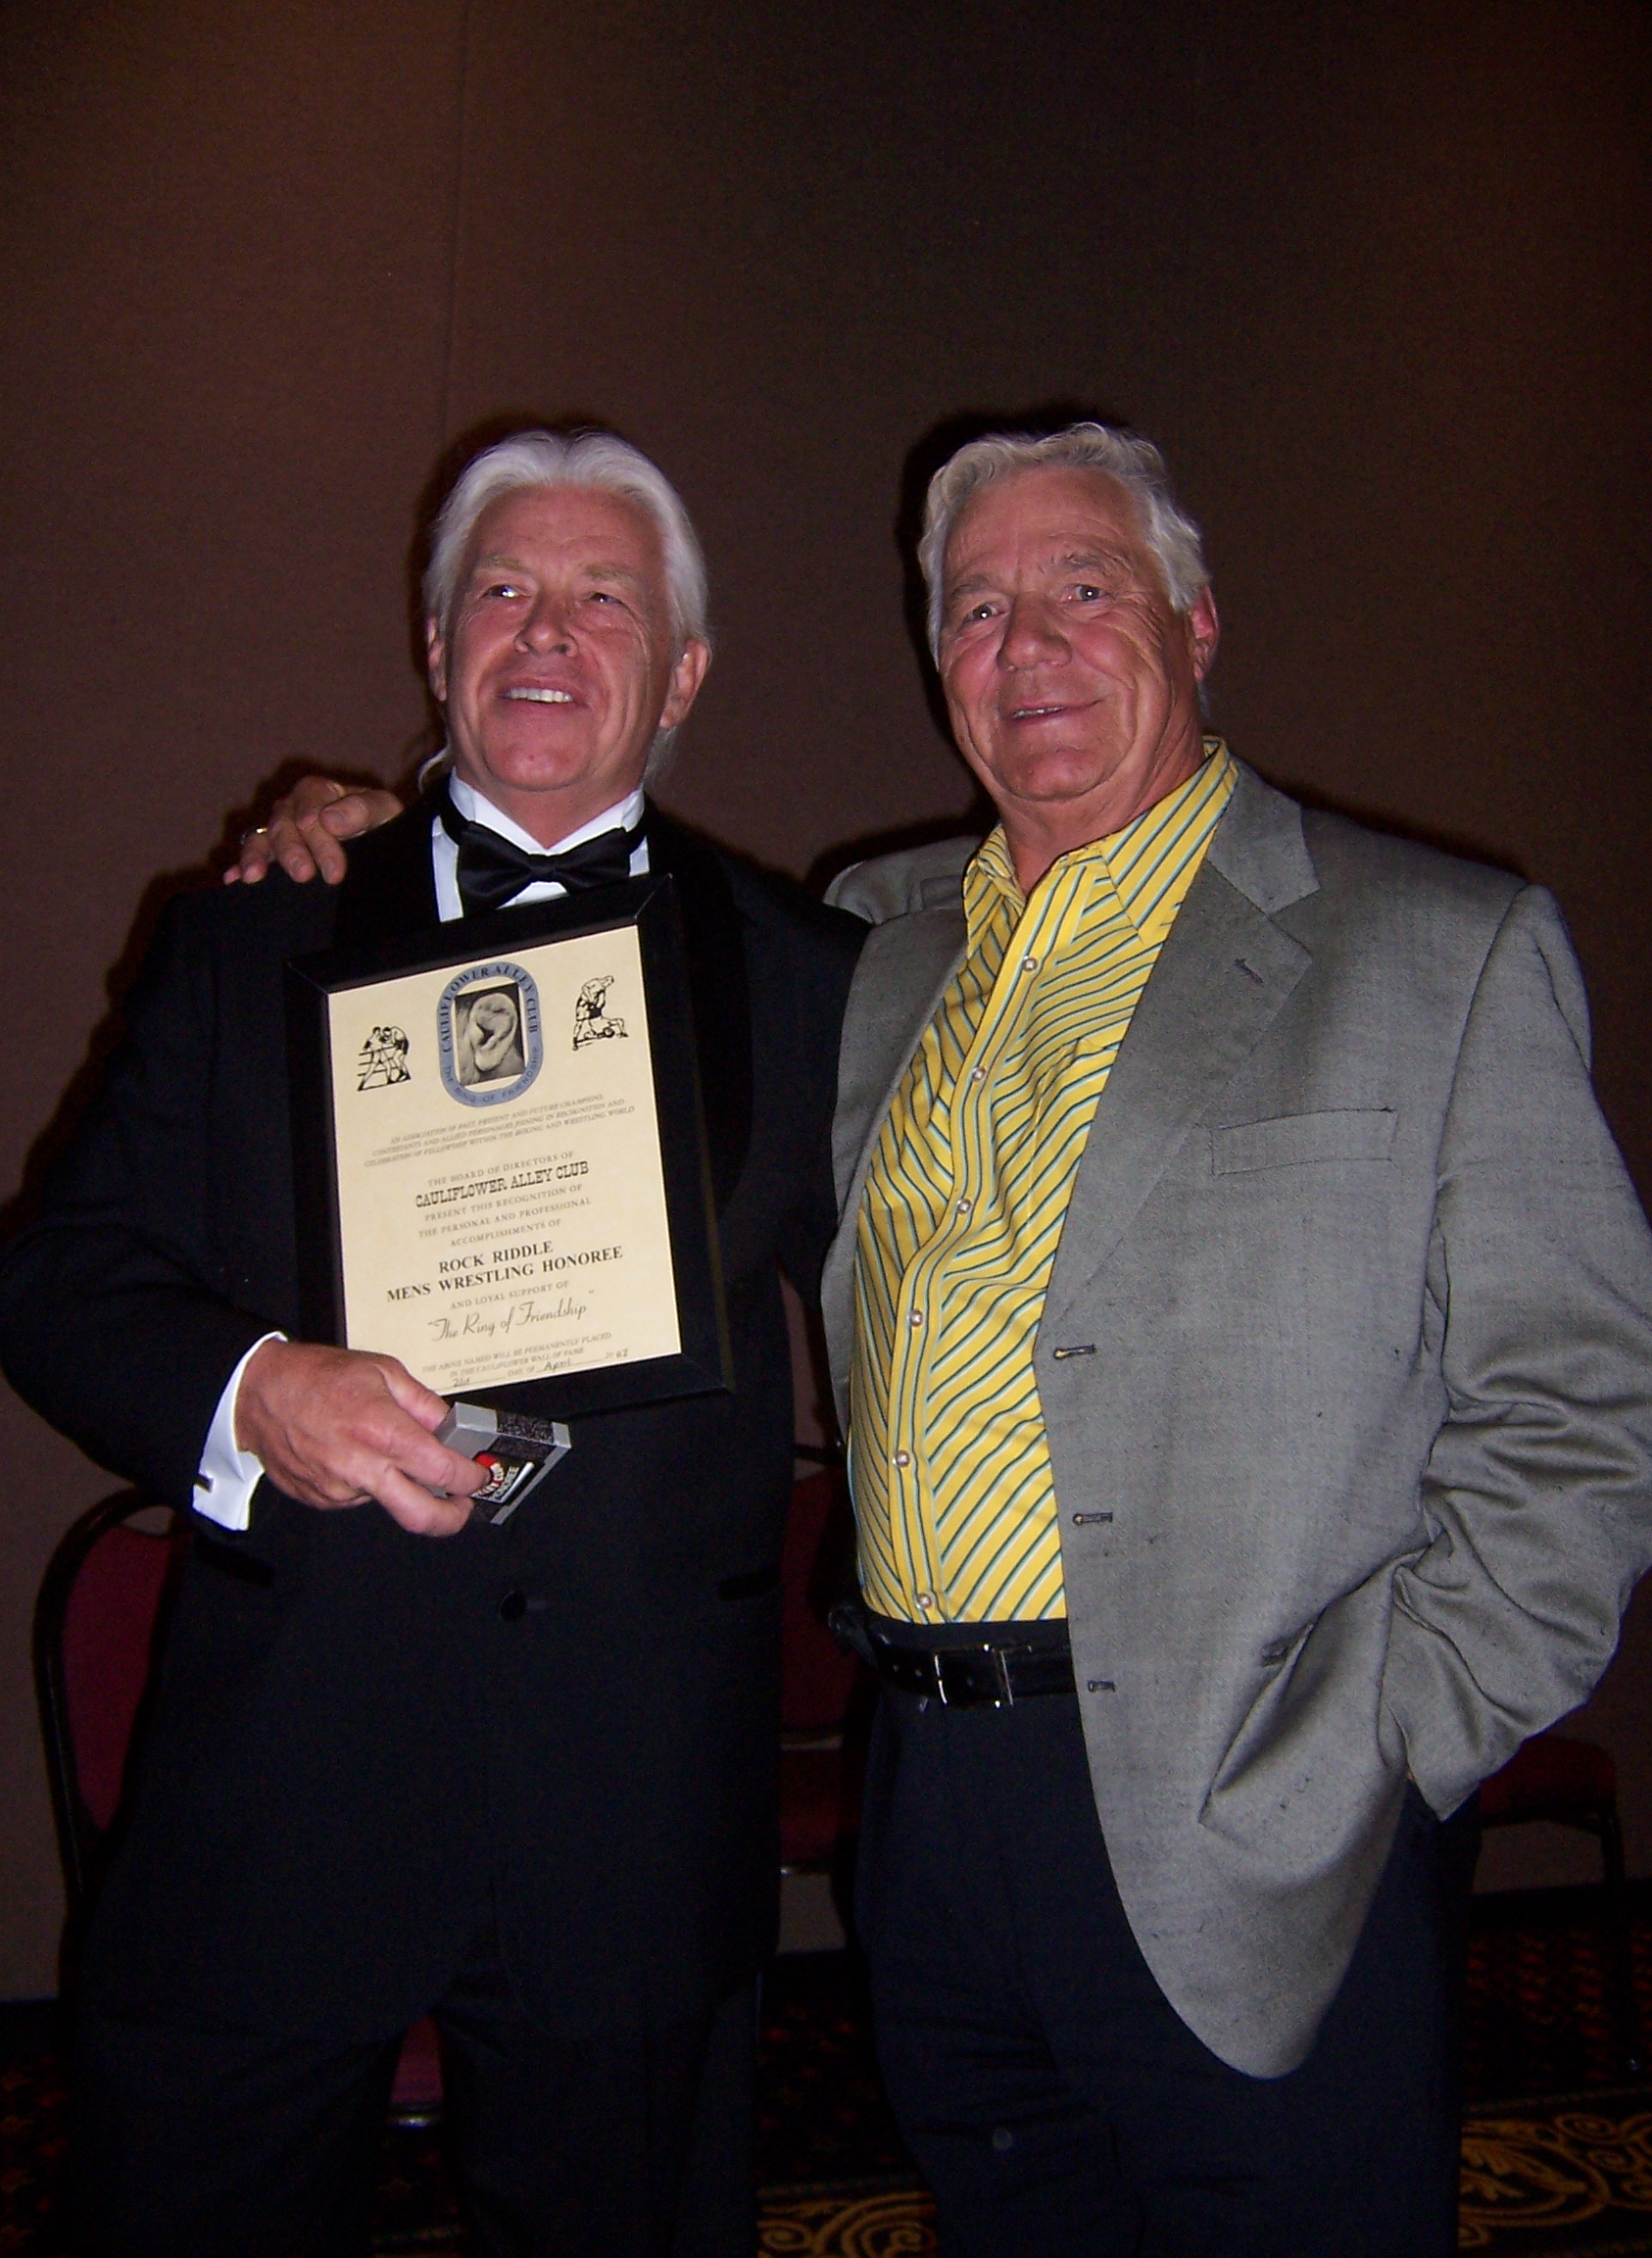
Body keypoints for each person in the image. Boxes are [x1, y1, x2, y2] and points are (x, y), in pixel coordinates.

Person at [253, 417, 1652, 2257]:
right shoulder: (867, 949)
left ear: (1197, 620)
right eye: (977, 610)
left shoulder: (1434, 948)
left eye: (1085, 588)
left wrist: (1385, 1745)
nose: (1030, 645)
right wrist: (371, 824)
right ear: (941, 670)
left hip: (1260, 1803)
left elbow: (1581, 1418)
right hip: (934, 1807)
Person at [0, 429, 863, 2258]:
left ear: (685, 671)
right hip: (283, 1794)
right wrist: (252, 1389)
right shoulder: (258, 929)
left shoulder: (802, 974)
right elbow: (56, 1273)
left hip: (628, 1816)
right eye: (504, 589)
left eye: (606, 596)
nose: (548, 630)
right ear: (436, 639)